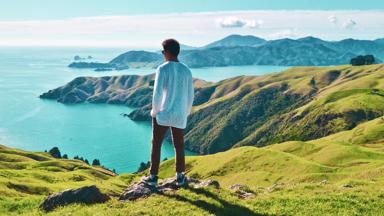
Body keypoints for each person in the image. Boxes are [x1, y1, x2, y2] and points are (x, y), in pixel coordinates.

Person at [142, 39, 194, 186]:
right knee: (179, 145)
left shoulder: (162, 69)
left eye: (163, 51)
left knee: (156, 144)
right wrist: (186, 112)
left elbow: (157, 93)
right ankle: (180, 176)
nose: (162, 54)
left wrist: (154, 111)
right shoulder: (186, 70)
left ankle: (153, 177)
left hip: (163, 113)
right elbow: (190, 95)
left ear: (167, 52)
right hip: (179, 114)